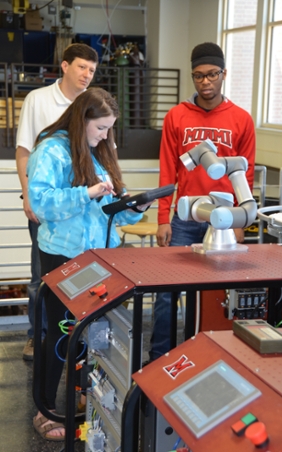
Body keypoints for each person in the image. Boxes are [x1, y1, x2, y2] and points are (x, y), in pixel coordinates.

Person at [27, 87, 147, 441]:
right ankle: (45, 408)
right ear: (82, 122)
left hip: (100, 257)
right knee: (62, 335)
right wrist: (86, 192)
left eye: (109, 129)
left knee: (93, 334)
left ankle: (81, 397)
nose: (105, 136)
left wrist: (134, 207)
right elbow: (41, 203)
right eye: (100, 128)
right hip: (63, 256)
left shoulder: (97, 152)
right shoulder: (51, 149)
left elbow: (110, 212)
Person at [148, 42, 256, 362]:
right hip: (184, 218)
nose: (205, 82)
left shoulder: (241, 120)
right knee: (167, 295)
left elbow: (245, 175)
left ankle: (211, 360)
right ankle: (159, 359)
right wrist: (163, 218)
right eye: (198, 76)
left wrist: (241, 222)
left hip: (224, 219)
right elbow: (167, 170)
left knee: (217, 297)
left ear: (223, 74)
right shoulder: (177, 116)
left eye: (211, 75)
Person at [16, 43, 99, 360]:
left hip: (83, 209)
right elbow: (23, 151)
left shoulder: (92, 103)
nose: (87, 75)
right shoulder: (38, 100)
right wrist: (29, 195)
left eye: (92, 70)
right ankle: (36, 338)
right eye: (81, 67)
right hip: (47, 208)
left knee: (82, 278)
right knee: (42, 278)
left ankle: (76, 340)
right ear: (64, 66)